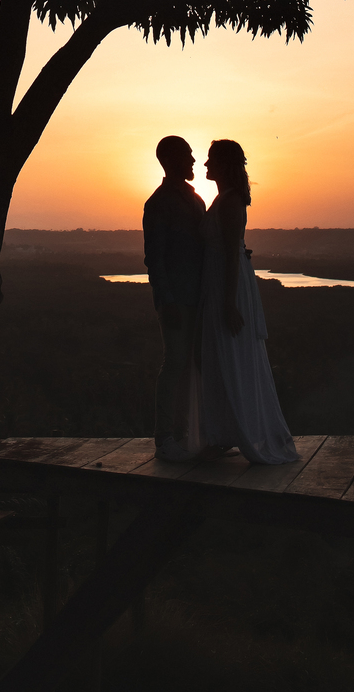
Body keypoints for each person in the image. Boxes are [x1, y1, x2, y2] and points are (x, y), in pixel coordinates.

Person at [188, 138, 298, 466]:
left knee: (228, 358)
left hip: (228, 286)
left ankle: (231, 434)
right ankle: (223, 434)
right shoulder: (223, 199)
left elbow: (232, 256)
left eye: (211, 159)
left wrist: (228, 302)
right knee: (215, 358)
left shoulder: (231, 202)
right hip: (217, 284)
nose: (206, 165)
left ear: (224, 164)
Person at [142, 134, 206, 462]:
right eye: (187, 155)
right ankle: (165, 439)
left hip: (199, 299)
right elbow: (155, 259)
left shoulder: (196, 200)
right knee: (175, 363)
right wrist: (166, 301)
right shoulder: (158, 204)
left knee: (192, 366)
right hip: (176, 299)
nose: (193, 160)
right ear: (170, 160)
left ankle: (185, 435)